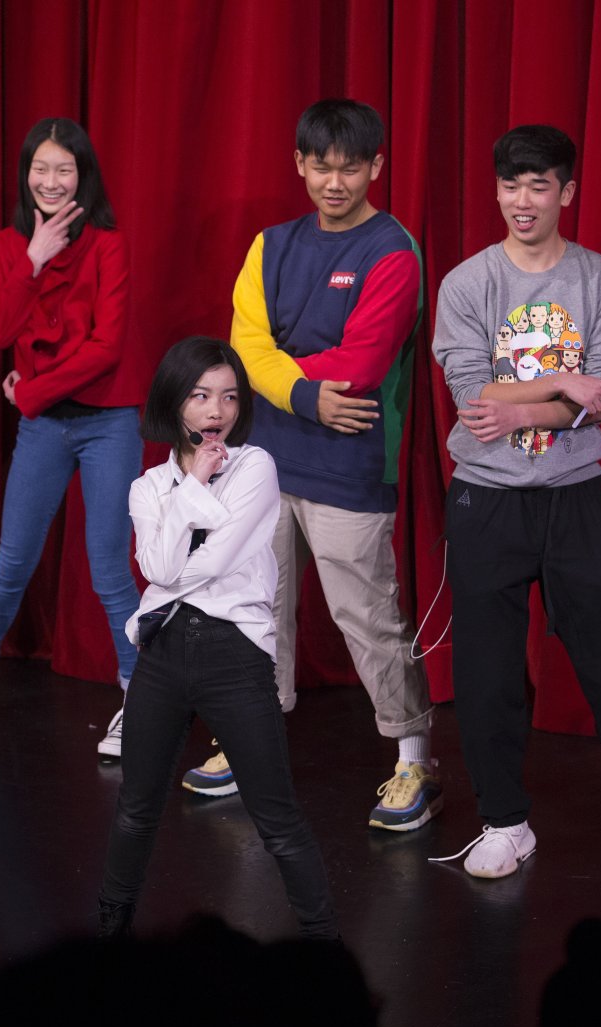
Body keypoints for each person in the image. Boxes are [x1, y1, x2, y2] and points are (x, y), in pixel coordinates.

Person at [430, 124, 601, 879]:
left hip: (575, 495)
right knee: (488, 671)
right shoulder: (467, 283)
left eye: (539, 186)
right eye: (511, 186)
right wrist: (563, 381)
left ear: (567, 192)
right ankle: (503, 822)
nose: (523, 201)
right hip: (486, 499)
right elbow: (472, 396)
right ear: (496, 191)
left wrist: (524, 409)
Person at [182, 98, 438, 834]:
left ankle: (415, 758)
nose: (335, 182)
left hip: (349, 463)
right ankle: (252, 741)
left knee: (366, 614)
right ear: (299, 164)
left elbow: (362, 364)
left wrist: (278, 371)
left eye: (350, 168)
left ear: (376, 167)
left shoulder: (393, 250)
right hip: (264, 461)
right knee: (255, 607)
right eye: (321, 167)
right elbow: (243, 347)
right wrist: (299, 391)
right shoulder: (270, 246)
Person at [98, 336, 338, 940]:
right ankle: (107, 939)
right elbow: (156, 568)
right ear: (175, 401)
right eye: (201, 396)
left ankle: (325, 947)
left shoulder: (255, 467)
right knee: (135, 812)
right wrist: (193, 488)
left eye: (230, 397)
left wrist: (177, 545)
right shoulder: (148, 486)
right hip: (162, 653)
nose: (217, 411)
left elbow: (203, 562)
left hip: (234, 655)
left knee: (276, 817)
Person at [0, 118, 145, 757]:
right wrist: (32, 260)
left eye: (63, 169)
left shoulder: (108, 246)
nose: (50, 181)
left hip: (106, 418)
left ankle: (138, 697)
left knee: (109, 565)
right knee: (13, 559)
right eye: (39, 169)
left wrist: (30, 393)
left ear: (82, 176)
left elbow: (106, 347)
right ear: (26, 175)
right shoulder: (7, 246)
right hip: (44, 424)